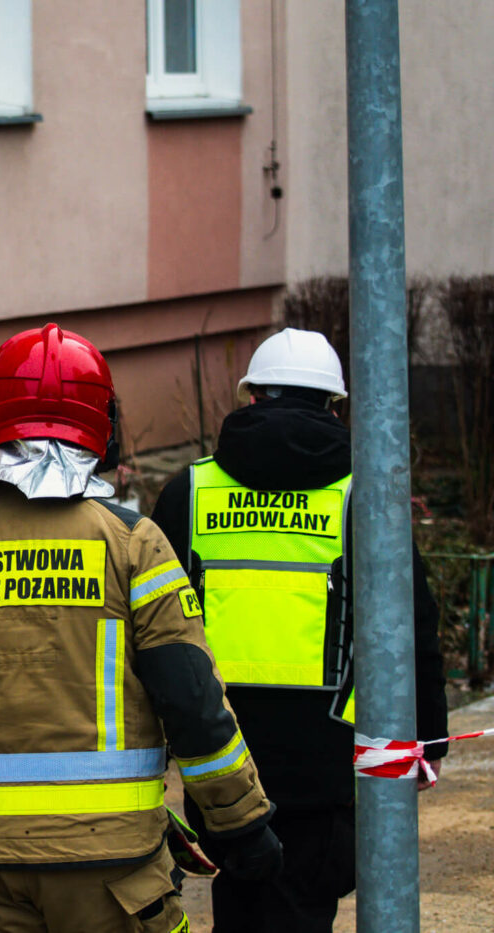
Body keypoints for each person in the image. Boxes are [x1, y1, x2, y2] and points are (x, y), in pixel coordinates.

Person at [0, 324, 282, 932]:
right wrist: (239, 823)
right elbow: (191, 699)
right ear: (102, 426)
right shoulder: (134, 544)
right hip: (114, 867)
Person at [150, 327, 449, 933]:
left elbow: (150, 633)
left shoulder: (189, 493)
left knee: (240, 908)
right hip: (328, 768)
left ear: (251, 397)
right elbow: (410, 624)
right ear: (334, 406)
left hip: (221, 765)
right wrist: (430, 740)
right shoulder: (366, 497)